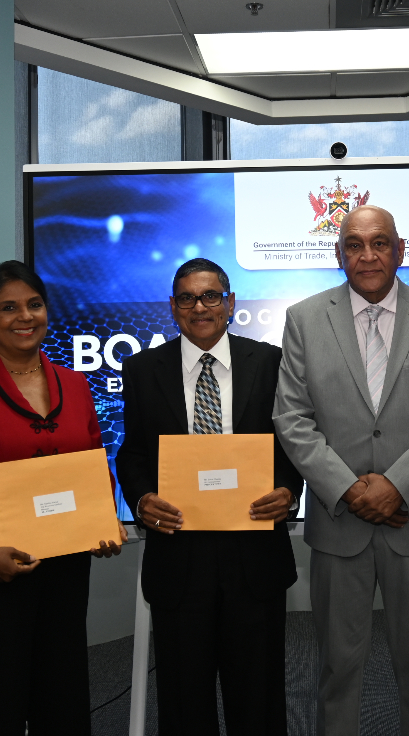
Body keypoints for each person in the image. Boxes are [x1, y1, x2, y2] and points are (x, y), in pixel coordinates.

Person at [273, 206, 409, 736]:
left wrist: (398, 487)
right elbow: (291, 418)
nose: (367, 256)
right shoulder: (304, 318)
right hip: (340, 524)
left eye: (380, 243)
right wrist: (349, 489)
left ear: (400, 250)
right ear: (338, 254)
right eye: (354, 245)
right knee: (337, 668)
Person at [0, 261, 124, 736]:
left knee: (64, 705)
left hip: (67, 571)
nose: (24, 316)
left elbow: (96, 464)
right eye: (8, 308)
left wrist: (103, 519)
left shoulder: (75, 383)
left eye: (34, 304)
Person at [115, 258, 302, 736]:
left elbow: (294, 444)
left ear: (230, 303)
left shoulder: (271, 362)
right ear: (173, 307)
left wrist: (288, 491)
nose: (199, 307)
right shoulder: (141, 370)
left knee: (258, 701)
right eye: (187, 298)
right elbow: (132, 454)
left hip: (254, 556)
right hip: (179, 557)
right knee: (184, 703)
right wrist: (141, 498)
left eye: (210, 296)